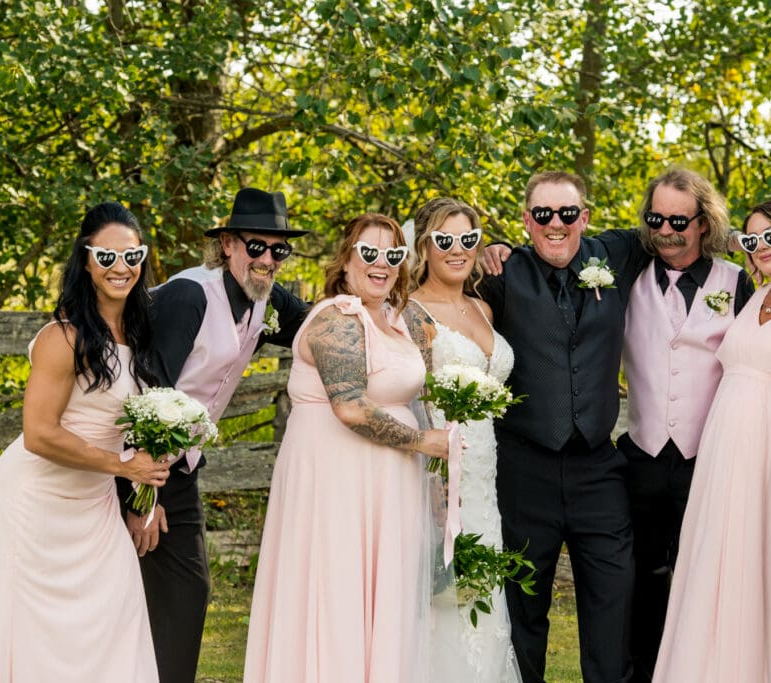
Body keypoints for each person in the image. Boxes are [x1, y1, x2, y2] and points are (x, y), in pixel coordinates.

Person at [0, 202, 170, 681]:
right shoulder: (64, 336)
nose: (121, 267)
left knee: (115, 615)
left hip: (95, 505)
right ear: (86, 261)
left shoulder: (138, 334)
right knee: (31, 631)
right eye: (107, 257)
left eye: (132, 256)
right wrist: (124, 467)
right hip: (36, 502)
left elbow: (135, 426)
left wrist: (145, 494)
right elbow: (39, 434)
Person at [243, 213, 450, 682]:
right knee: (335, 590)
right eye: (369, 252)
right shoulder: (334, 319)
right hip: (335, 481)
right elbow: (351, 408)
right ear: (347, 259)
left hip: (391, 485)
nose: (382, 263)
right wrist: (423, 442)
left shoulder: (402, 318)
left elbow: (427, 393)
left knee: (386, 597)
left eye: (393, 254)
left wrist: (438, 481)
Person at [119, 187, 311, 682]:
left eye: (280, 250)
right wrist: (141, 496)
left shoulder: (265, 299)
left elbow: (317, 325)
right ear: (227, 244)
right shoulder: (190, 295)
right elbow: (149, 389)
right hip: (130, 464)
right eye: (256, 246)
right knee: (144, 590)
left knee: (187, 589)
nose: (268, 259)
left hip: (179, 465)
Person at [477, 171, 648, 683]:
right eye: (544, 214)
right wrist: (487, 247)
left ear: (585, 218)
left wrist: (743, 243)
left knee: (614, 598)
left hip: (598, 467)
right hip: (523, 467)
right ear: (526, 220)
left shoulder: (614, 254)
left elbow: (677, 230)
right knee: (522, 609)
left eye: (567, 213)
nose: (556, 223)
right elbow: (443, 285)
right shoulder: (502, 273)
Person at [652, 199, 771, 682]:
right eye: (751, 239)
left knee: (765, 560)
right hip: (724, 453)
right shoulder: (754, 295)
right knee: (717, 559)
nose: (761, 247)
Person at [617, 168, 754, 682]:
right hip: (643, 455)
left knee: (707, 578)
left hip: (709, 459)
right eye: (656, 219)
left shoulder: (736, 281)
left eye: (679, 220)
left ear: (703, 223)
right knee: (642, 580)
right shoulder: (625, 278)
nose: (666, 230)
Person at [402, 197, 522, 683]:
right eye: (444, 240)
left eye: (468, 239)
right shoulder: (410, 313)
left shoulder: (482, 307)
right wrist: (433, 484)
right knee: (441, 598)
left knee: (481, 595)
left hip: (483, 478)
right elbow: (410, 398)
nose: (458, 249)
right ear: (423, 247)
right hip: (440, 474)